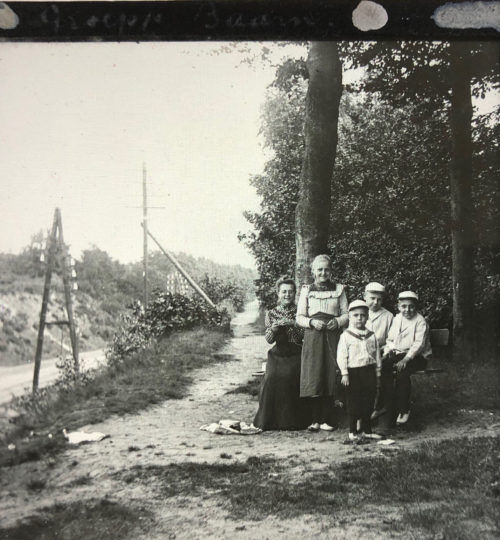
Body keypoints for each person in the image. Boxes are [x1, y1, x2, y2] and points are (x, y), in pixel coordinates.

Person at [296, 254, 348, 432]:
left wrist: (338, 322)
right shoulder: (306, 290)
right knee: (314, 374)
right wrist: (311, 322)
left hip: (333, 336)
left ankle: (329, 419)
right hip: (313, 336)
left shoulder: (339, 290)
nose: (323, 273)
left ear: (331, 271)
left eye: (326, 269)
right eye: (319, 269)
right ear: (313, 271)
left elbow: (347, 314)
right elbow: (299, 317)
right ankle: (314, 419)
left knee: (330, 374)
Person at [253, 277, 308, 430]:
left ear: (295, 293)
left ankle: (292, 421)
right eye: (284, 291)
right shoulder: (271, 314)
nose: (287, 295)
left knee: (290, 376)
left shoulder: (300, 313)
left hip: (296, 351)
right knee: (271, 378)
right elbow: (269, 340)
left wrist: (294, 324)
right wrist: (274, 329)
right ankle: (270, 420)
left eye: (291, 292)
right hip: (278, 353)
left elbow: (305, 336)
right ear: (278, 293)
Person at [382, 291, 432, 425]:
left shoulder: (420, 321)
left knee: (402, 373)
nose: (407, 310)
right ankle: (388, 408)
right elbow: (390, 339)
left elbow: (419, 345)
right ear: (398, 306)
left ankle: (404, 409)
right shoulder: (397, 318)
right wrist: (388, 351)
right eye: (404, 306)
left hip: (416, 357)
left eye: (411, 306)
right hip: (399, 354)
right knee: (383, 369)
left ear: (416, 307)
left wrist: (405, 359)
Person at [337, 300, 382, 441]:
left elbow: (377, 355)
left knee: (368, 402)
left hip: (368, 371)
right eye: (355, 315)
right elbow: (341, 355)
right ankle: (352, 432)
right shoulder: (346, 336)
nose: (359, 318)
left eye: (362, 315)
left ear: (367, 316)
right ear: (350, 317)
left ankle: (367, 430)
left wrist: (378, 372)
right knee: (354, 402)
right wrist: (344, 373)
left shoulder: (371, 335)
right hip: (353, 373)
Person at [364, 282, 394, 420]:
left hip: (380, 354)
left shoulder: (388, 316)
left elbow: (391, 340)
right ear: (365, 297)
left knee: (382, 371)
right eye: (372, 298)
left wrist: (385, 351)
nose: (375, 302)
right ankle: (360, 410)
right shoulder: (358, 313)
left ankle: (379, 407)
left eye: (379, 299)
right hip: (360, 354)